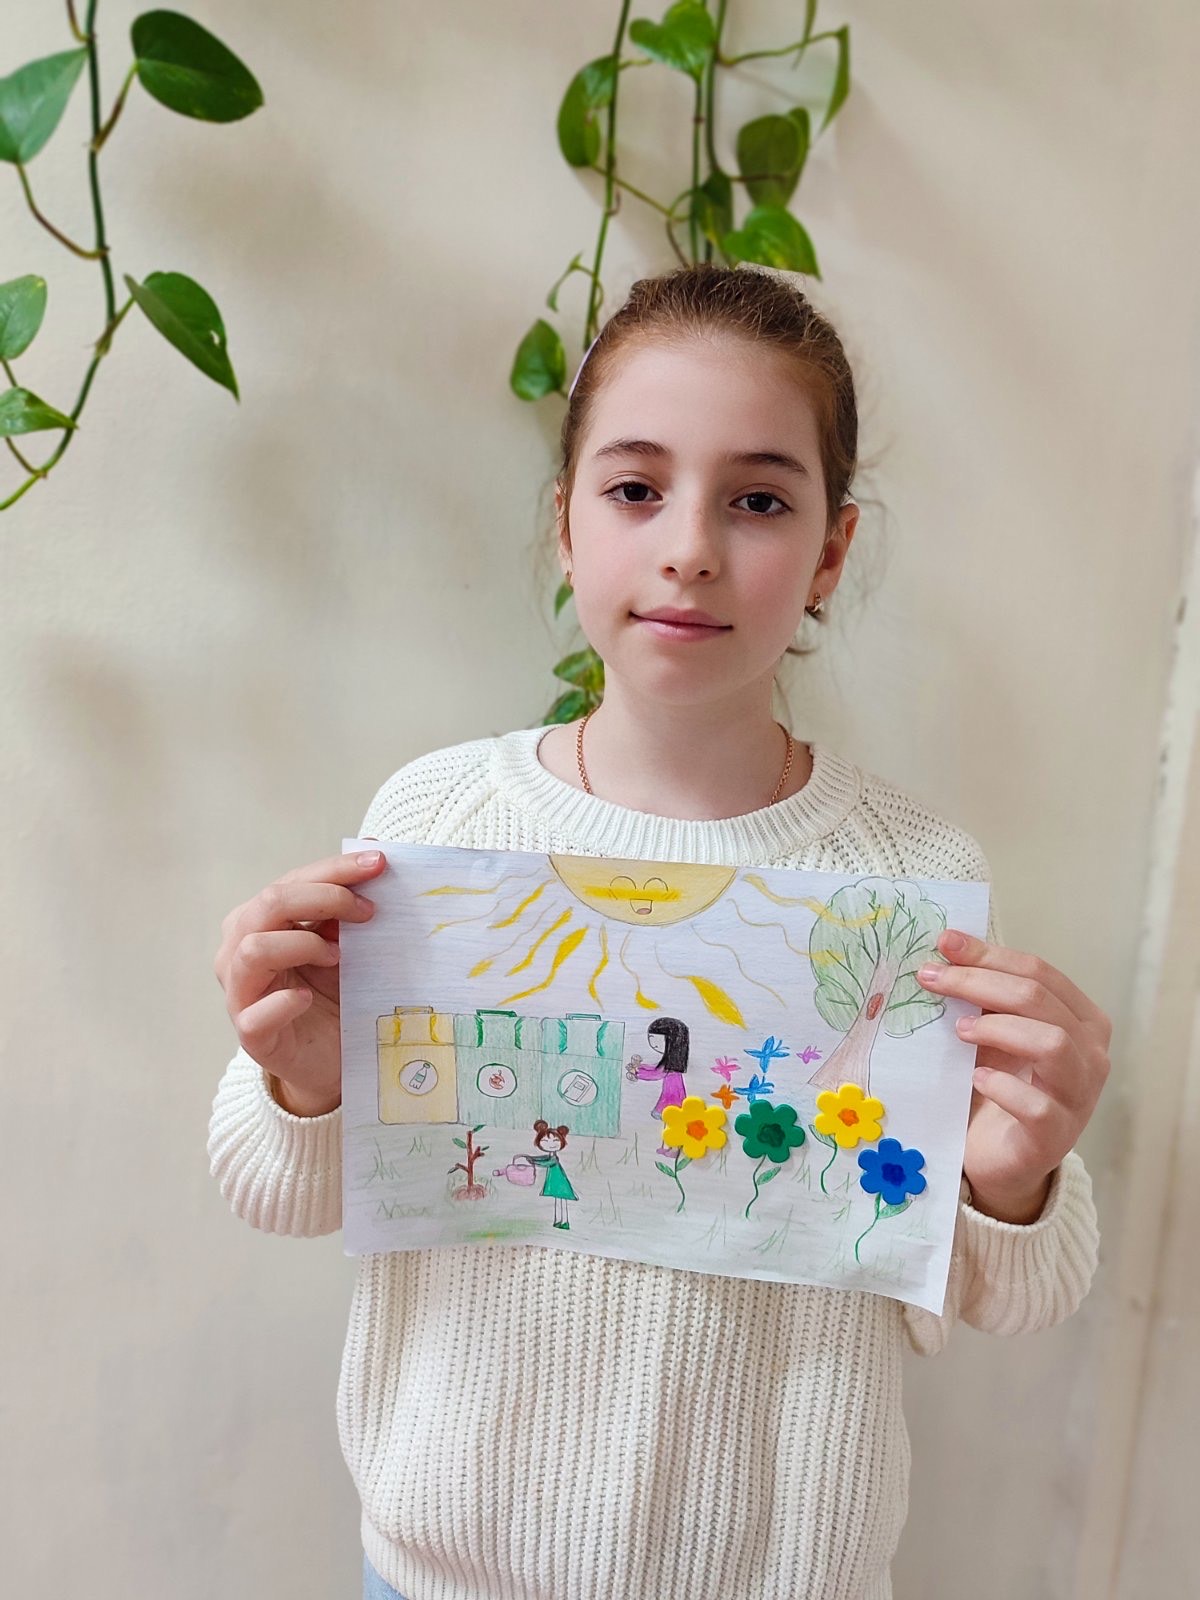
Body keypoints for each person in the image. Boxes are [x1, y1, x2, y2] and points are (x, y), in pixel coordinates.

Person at [209, 262, 1108, 1600]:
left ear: (832, 553)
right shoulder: (438, 823)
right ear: (565, 526)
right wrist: (304, 1080)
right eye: (635, 489)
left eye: (759, 500)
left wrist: (1014, 1180)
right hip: (440, 1574)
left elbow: (1013, 1290)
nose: (689, 546)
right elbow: (277, 1186)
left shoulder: (908, 882)